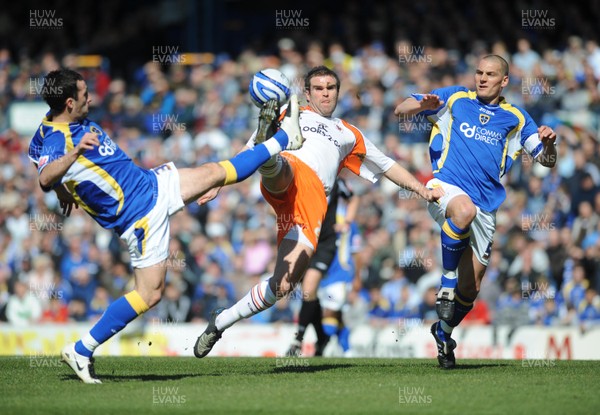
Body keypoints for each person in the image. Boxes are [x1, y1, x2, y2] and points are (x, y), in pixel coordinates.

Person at [28, 68, 304, 383]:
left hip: (150, 183)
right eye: (83, 94)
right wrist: (74, 155)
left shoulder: (48, 127)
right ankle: (81, 349)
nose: (90, 97)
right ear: (68, 103)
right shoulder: (58, 138)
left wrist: (65, 189)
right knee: (149, 294)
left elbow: (42, 165)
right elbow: (45, 176)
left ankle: (283, 137)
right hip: (140, 215)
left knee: (215, 172)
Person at [193, 65, 443, 358]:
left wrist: (422, 188)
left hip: (309, 205)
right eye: (319, 88)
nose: (326, 93)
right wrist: (221, 181)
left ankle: (220, 321)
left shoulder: (348, 132)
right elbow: (248, 150)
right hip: (292, 175)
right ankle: (272, 157)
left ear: (337, 92)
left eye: (331, 88)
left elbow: (387, 165)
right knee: (277, 162)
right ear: (307, 93)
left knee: (283, 285)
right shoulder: (288, 113)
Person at [394, 54, 557, 368]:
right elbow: (400, 109)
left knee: (472, 288)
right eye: (479, 72)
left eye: (490, 74)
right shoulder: (455, 97)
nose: (482, 78)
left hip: (487, 205)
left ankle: (443, 333)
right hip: (446, 187)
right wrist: (422, 105)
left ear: (504, 80)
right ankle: (445, 283)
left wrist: (549, 145)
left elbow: (545, 160)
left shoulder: (517, 117)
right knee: (463, 211)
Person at [287, 178, 359, 357]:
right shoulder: (299, 178)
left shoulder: (334, 180)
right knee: (310, 296)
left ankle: (298, 339)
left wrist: (347, 222)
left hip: (324, 244)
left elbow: (354, 198)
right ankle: (322, 339)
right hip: (303, 241)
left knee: (309, 289)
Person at [317, 186, 363, 356]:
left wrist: (357, 278)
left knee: (329, 312)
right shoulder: (322, 217)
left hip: (340, 276)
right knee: (337, 315)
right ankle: (347, 349)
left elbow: (356, 252)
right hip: (323, 275)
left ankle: (325, 345)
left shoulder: (348, 223)